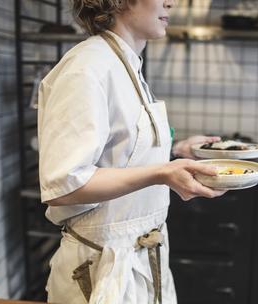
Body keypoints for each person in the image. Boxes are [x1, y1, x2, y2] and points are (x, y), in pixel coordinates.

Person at [36, 0, 226, 303]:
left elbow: (120, 150)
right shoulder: (86, 69)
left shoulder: (124, 62)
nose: (171, 2)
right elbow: (64, 186)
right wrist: (163, 173)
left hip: (140, 256)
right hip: (100, 269)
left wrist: (176, 150)